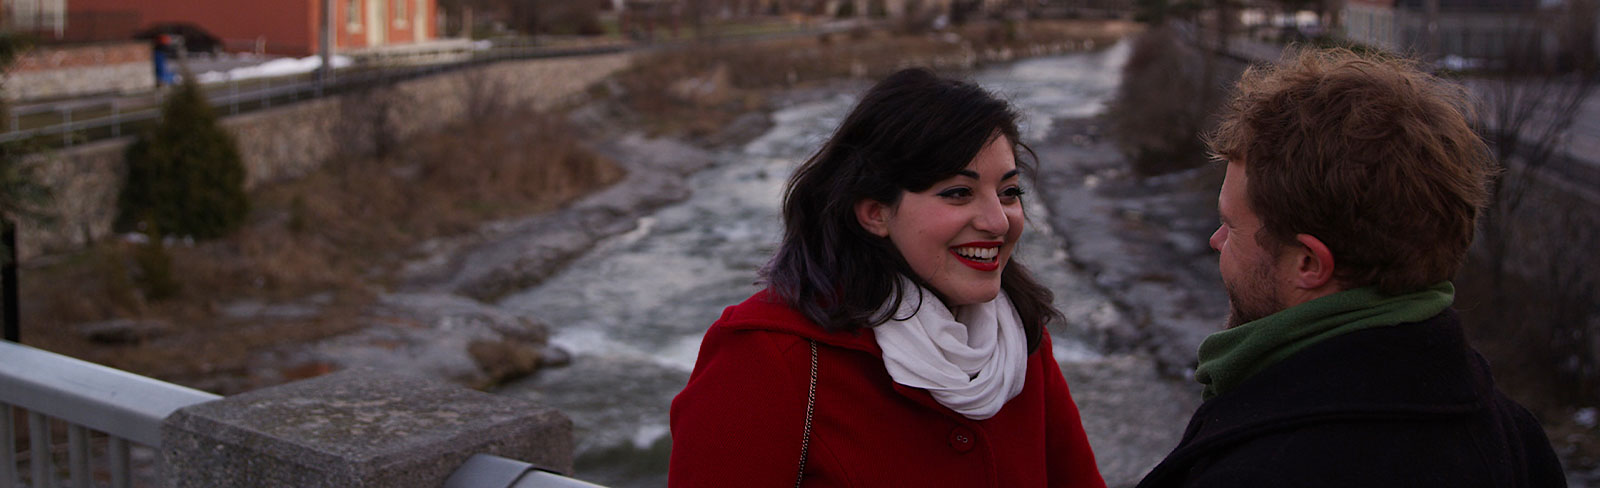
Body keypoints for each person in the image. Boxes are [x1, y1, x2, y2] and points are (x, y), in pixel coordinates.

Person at [1135, 48, 1566, 487]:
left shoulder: (1259, 471)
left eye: (1230, 225)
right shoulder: (1517, 440)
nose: (1215, 240)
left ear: (1309, 263)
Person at [669, 68, 1105, 487]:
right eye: (959, 192)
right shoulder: (768, 358)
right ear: (876, 213)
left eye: (1009, 192)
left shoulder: (1019, 340)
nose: (999, 221)